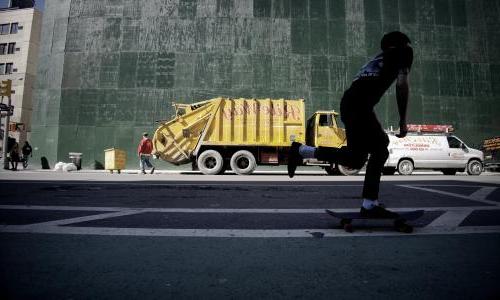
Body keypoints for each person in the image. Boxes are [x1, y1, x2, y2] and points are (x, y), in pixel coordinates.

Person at [288, 31, 413, 218]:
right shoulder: (404, 52)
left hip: (350, 103)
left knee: (356, 159)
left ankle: (301, 151)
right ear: (403, 44)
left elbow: (364, 92)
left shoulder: (378, 59)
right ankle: (369, 205)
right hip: (359, 106)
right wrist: (403, 119)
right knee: (380, 149)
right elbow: (402, 84)